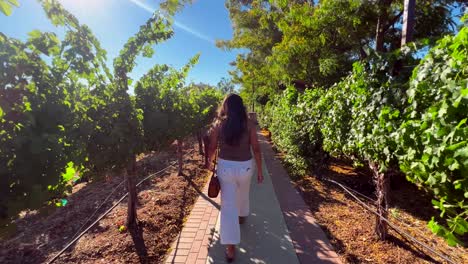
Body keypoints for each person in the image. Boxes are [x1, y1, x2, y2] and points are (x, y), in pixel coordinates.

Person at [207, 93, 264, 262]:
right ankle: (242, 215)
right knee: (243, 193)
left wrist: (209, 162)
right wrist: (260, 170)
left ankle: (230, 248)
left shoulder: (220, 124)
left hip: (225, 168)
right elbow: (256, 148)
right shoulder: (249, 124)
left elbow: (211, 146)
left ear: (226, 107)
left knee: (228, 206)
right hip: (245, 167)